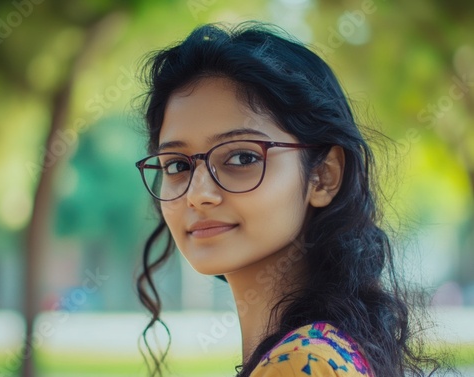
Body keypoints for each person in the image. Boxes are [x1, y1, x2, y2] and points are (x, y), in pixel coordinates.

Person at [134, 22, 445, 377]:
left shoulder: (300, 362)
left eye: (242, 158)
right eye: (177, 164)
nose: (198, 194)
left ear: (323, 176)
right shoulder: (324, 349)